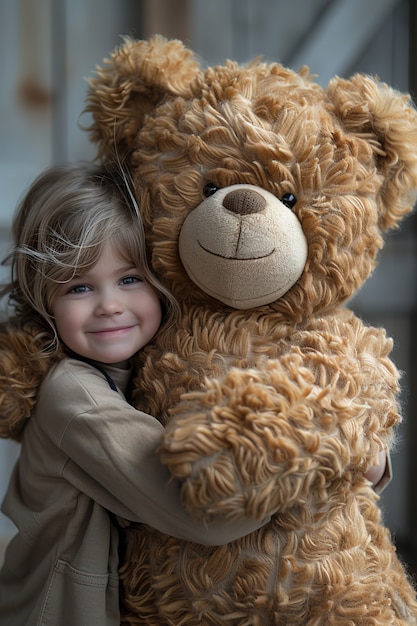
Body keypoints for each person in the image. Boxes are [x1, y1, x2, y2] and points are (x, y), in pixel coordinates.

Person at [0, 162, 271, 626]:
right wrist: (323, 461)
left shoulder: (144, 366)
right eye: (79, 287)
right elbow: (207, 512)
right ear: (44, 301)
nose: (109, 304)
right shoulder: (75, 396)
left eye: (129, 279)